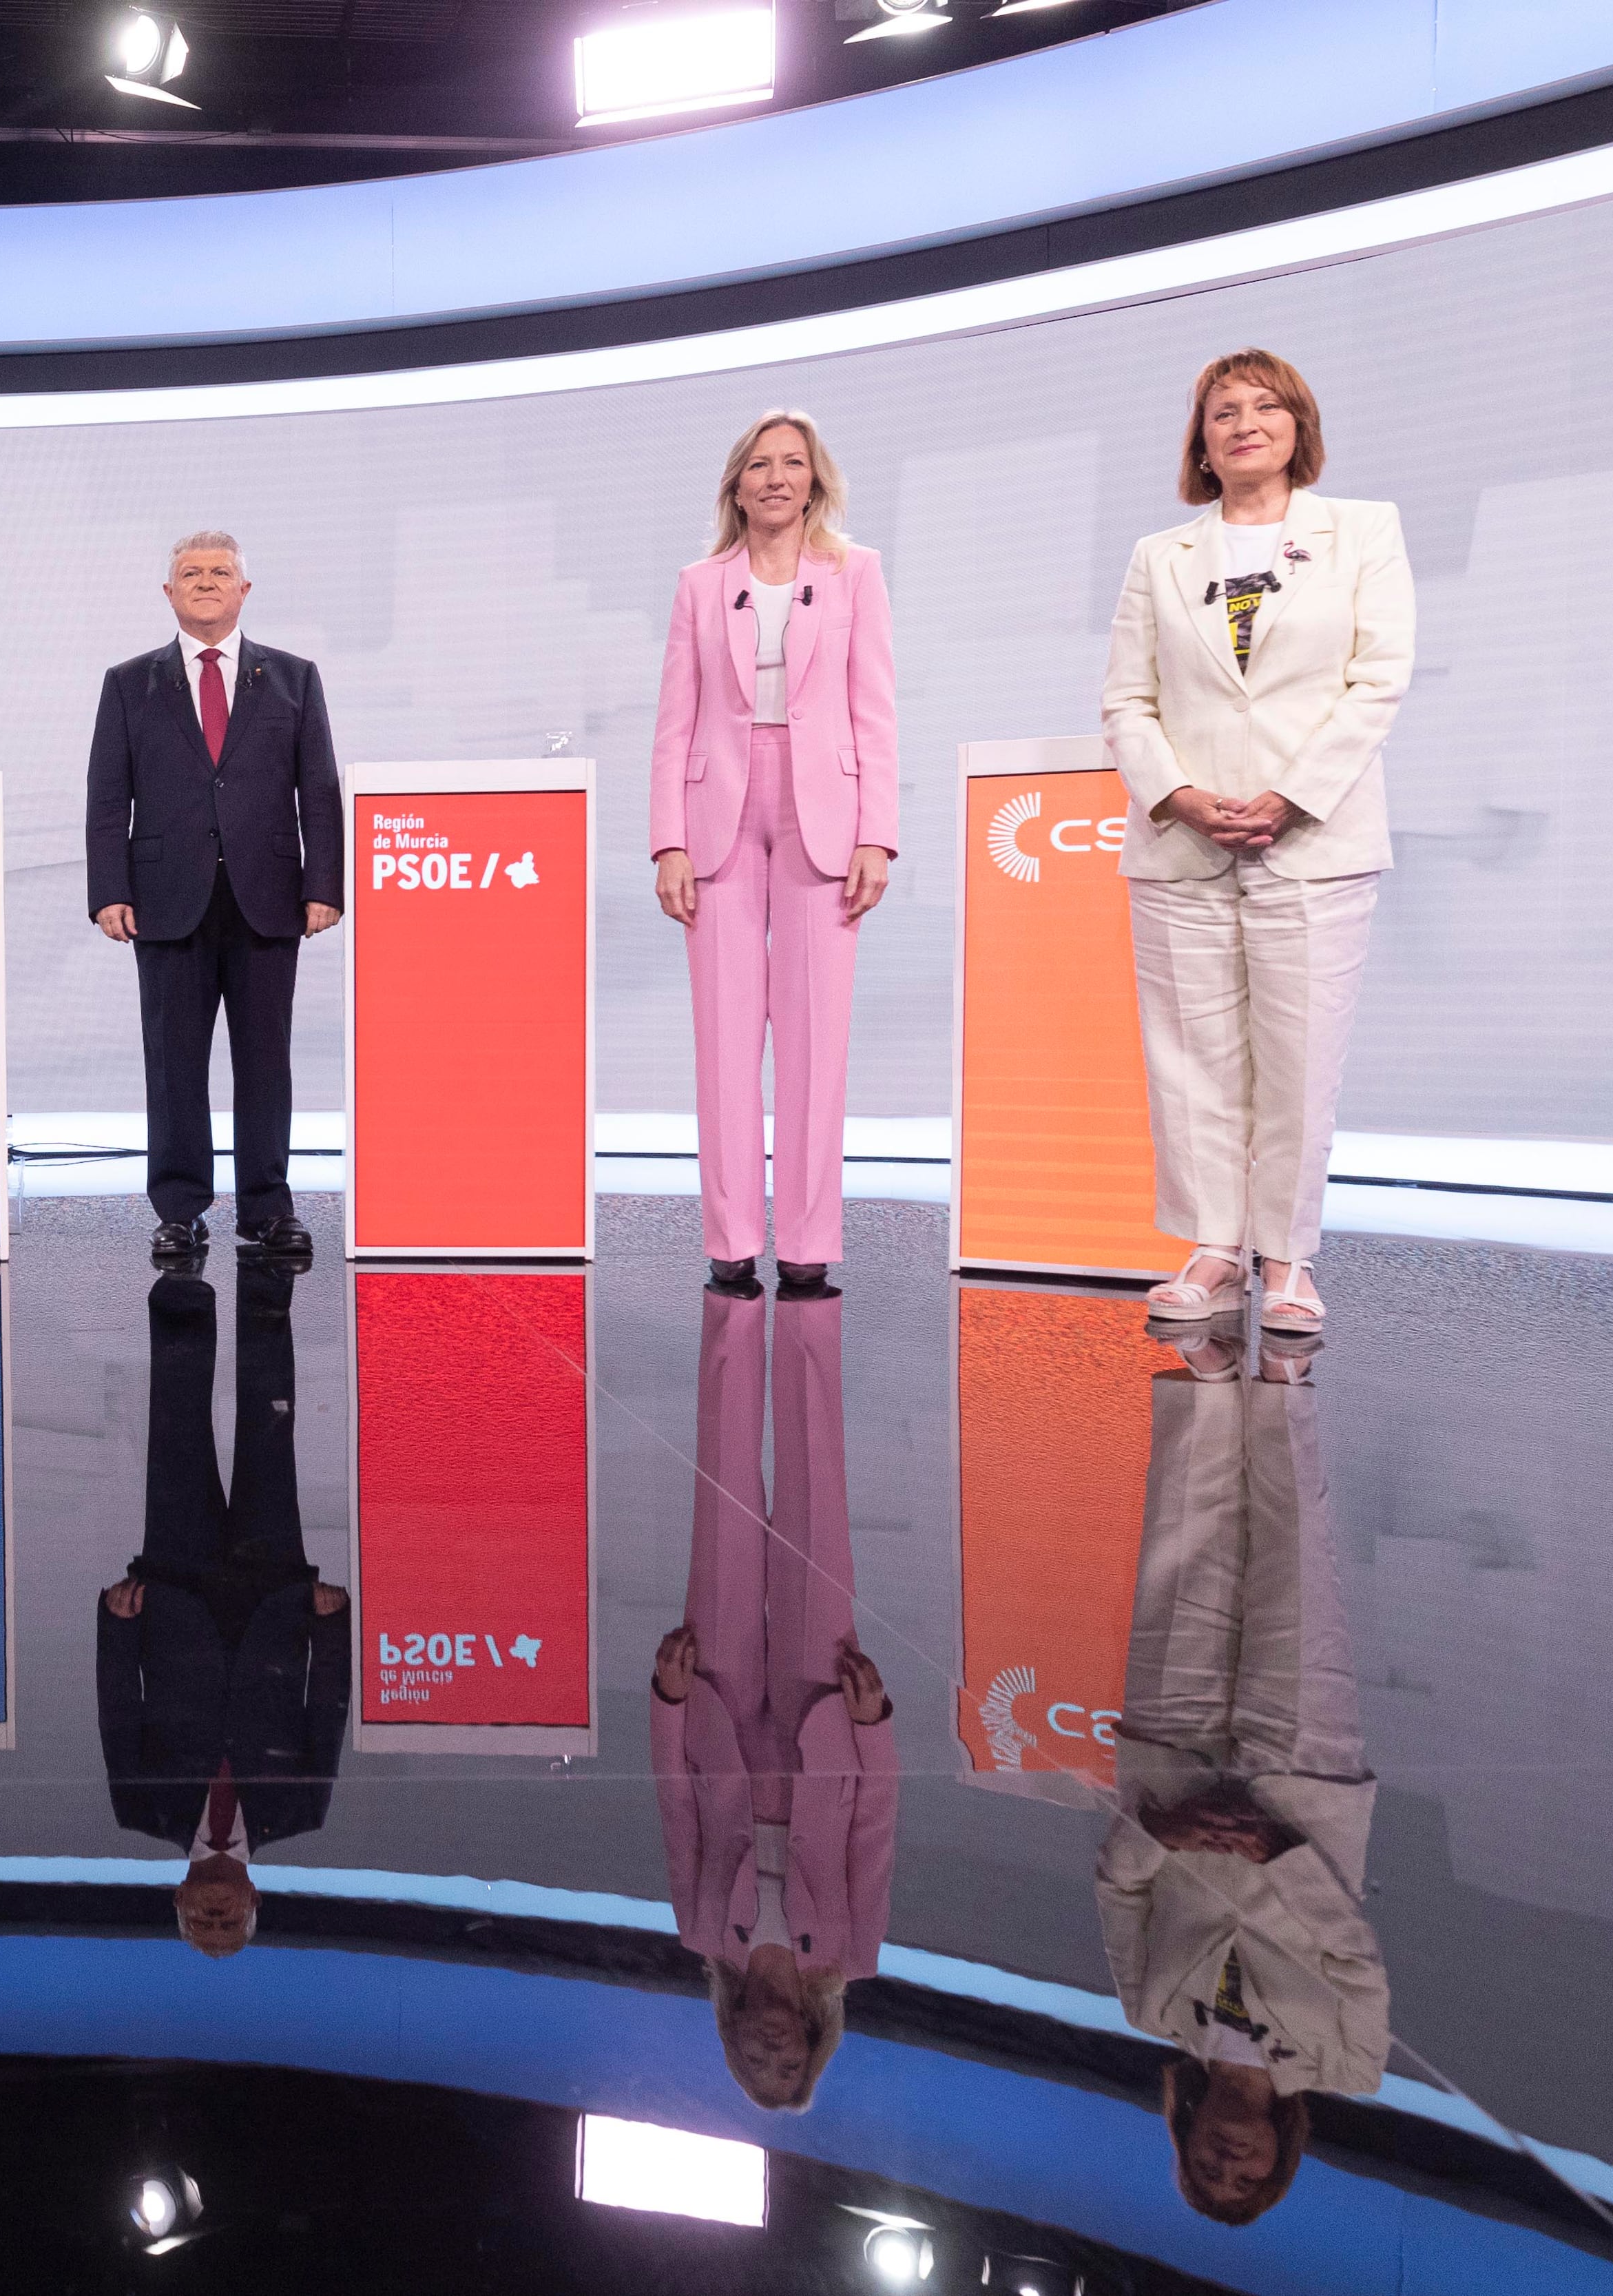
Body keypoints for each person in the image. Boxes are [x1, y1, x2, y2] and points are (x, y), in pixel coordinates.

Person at [1103, 349, 1414, 1336]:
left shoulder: (1362, 532)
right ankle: (1211, 1248)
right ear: (1201, 440)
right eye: (1223, 410)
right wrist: (1181, 795)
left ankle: (1286, 1259)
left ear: (1297, 425)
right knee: (1192, 1056)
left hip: (1313, 837)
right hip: (1184, 843)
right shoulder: (1162, 556)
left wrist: (1290, 794)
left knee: (1298, 1052)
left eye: (1264, 406)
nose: (1244, 422)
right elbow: (1127, 699)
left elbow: (1379, 679)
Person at [1101, 1324, 1379, 2224]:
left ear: (1183, 2142)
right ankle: (1286, 1383)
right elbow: (1353, 1959)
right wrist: (1280, 1854)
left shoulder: (1152, 2008)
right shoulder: (1348, 2061)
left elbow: (1118, 1888)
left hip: (1173, 1774)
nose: (1229, 2162)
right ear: (1277, 2160)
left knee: (1185, 1557)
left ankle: (1213, 1381)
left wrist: (1164, 1835)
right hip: (1301, 1791)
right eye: (1247, 2177)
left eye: (1208, 2172)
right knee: (1294, 1574)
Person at [649, 411, 899, 1296]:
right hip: (716, 804)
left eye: (791, 464)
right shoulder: (697, 583)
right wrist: (666, 840)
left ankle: (805, 1237)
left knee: (812, 1034)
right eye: (758, 465)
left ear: (813, 479)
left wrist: (877, 832)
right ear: (735, 483)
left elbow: (873, 706)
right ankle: (728, 1235)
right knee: (722, 1032)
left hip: (822, 806)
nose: (775, 479)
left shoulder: (854, 573)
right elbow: (674, 714)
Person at [649, 1276, 897, 2111]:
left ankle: (729, 1304)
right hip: (822, 1722)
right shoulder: (849, 1952)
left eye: (754, 2069)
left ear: (730, 2044)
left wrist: (667, 1701)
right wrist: (870, 1727)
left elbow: (677, 1810)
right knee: (812, 1507)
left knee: (719, 1501)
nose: (770, 2056)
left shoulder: (699, 1935)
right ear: (811, 2048)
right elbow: (872, 1826)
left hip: (717, 1714)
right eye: (787, 2070)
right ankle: (805, 1313)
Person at [83, 531, 344, 1269]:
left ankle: (268, 1208)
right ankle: (177, 1212)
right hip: (165, 900)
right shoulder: (127, 683)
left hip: (268, 899)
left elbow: (317, 793)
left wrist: (323, 885)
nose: (205, 582)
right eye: (189, 573)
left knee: (266, 1060)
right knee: (171, 1063)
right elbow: (108, 797)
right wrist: (108, 890)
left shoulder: (293, 679)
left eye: (219, 572)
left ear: (244, 590)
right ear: (168, 593)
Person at [96, 1267, 349, 1956]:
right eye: (226, 1920)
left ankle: (180, 1273)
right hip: (272, 1601)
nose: (213, 1911)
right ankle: (266, 1274)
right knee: (271, 1423)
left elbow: (118, 1712)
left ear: (177, 1898)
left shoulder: (140, 1811)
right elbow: (322, 1715)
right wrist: (331, 1631)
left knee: (176, 1424)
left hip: (174, 1598)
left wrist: (116, 1627)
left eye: (200, 1919)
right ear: (253, 1902)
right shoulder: (299, 1814)